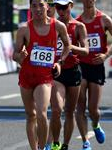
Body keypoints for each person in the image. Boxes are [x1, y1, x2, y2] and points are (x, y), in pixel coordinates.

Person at [12, 0, 71, 150]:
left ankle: (44, 146)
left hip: (44, 78)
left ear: (47, 6)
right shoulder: (24, 29)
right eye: (34, 5)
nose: (37, 9)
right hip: (26, 76)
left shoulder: (58, 26)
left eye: (41, 5)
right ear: (30, 7)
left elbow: (67, 45)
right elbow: (14, 55)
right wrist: (21, 57)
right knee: (30, 115)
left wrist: (60, 62)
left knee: (41, 113)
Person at [75, 0, 112, 150]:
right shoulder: (77, 23)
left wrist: (106, 55)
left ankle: (95, 125)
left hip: (97, 67)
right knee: (80, 108)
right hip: (81, 67)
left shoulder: (104, 19)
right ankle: (85, 142)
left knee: (93, 110)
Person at [48, 0, 89, 150]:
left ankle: (65, 145)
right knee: (57, 109)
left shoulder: (79, 26)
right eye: (58, 7)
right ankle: (55, 143)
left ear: (71, 5)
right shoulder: (52, 25)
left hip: (73, 71)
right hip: (57, 72)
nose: (61, 11)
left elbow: (86, 51)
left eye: (64, 7)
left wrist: (69, 46)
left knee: (70, 112)